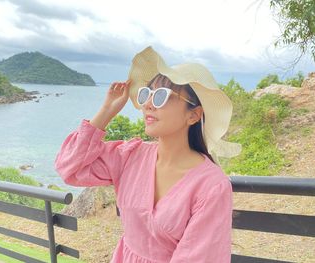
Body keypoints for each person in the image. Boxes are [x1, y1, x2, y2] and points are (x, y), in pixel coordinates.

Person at [54, 46, 242, 262]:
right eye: (147, 93)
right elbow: (70, 167)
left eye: (161, 95)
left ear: (193, 115)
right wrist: (107, 110)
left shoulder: (211, 186)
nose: (148, 104)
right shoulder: (130, 156)